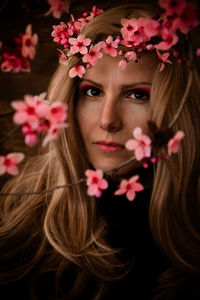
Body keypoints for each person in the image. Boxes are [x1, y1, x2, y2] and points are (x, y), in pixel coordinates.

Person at [0, 1, 200, 299]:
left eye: (137, 95)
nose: (108, 121)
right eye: (92, 92)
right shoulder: (20, 237)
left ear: (174, 111)